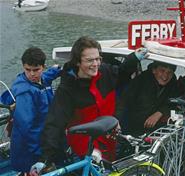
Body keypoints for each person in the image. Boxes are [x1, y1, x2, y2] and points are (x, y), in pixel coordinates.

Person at [30, 36, 147, 174]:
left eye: (98, 59)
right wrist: (45, 159)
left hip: (109, 139)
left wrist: (134, 58)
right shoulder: (68, 89)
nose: (95, 64)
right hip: (84, 146)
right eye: (90, 60)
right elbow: (55, 123)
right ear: (78, 62)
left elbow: (121, 73)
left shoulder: (105, 72)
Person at [0, 47, 61, 174]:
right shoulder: (25, 92)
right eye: (28, 70)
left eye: (36, 70)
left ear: (43, 67)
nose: (32, 74)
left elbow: (46, 76)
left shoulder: (42, 79)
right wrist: (42, 154)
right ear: (23, 67)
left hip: (44, 137)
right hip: (29, 149)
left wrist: (57, 70)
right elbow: (26, 128)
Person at [116, 61, 179, 137]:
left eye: (170, 73)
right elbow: (123, 102)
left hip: (156, 130)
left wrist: (160, 112)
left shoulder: (173, 83)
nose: (165, 76)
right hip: (132, 126)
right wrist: (116, 122)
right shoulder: (140, 81)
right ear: (154, 70)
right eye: (162, 71)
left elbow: (175, 103)